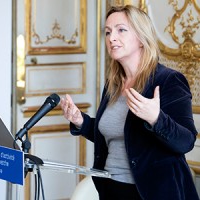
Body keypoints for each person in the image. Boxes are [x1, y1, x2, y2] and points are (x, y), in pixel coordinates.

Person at [60, 5, 199, 200]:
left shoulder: (168, 80)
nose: (111, 38)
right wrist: (80, 122)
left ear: (142, 38)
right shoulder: (113, 84)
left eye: (121, 30)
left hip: (152, 193)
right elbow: (118, 134)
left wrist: (156, 119)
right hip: (111, 189)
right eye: (108, 32)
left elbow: (186, 142)